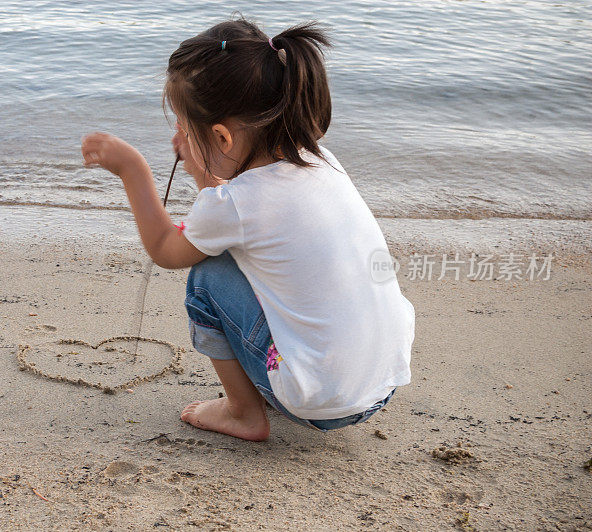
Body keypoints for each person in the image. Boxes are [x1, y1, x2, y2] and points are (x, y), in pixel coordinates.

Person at [81, 16, 415, 441]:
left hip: (321, 403)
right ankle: (283, 384)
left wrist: (133, 170)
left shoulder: (236, 204)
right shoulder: (320, 160)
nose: (180, 139)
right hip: (381, 383)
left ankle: (243, 413)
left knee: (207, 276)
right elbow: (232, 211)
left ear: (222, 138)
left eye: (185, 128)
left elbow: (167, 250)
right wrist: (204, 169)